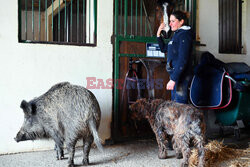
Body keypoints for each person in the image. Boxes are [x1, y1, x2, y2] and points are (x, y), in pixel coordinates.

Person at [157, 10, 194, 104]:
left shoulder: (184, 35)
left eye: (173, 21)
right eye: (170, 21)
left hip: (181, 76)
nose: (170, 24)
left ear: (181, 21)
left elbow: (183, 59)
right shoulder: (176, 34)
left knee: (179, 105)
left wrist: (173, 79)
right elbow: (164, 49)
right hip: (176, 75)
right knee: (175, 104)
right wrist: (158, 34)